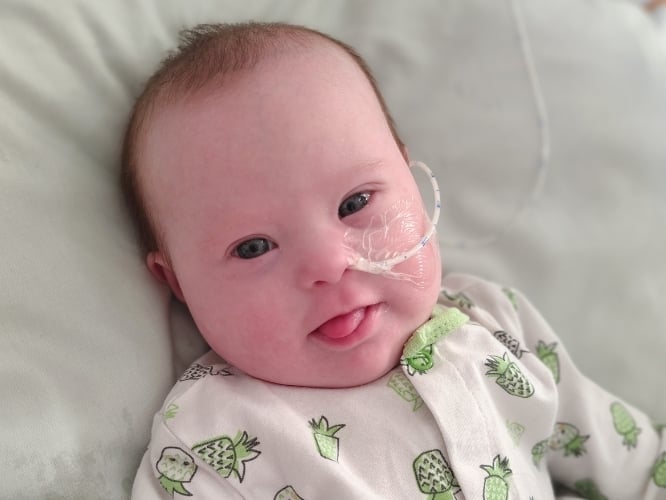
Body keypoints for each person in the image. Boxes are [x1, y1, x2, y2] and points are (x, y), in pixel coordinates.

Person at [123, 22, 666, 499]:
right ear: (177, 282)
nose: (330, 265)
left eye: (355, 203)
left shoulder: (494, 325)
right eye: (253, 247)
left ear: (409, 180)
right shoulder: (207, 445)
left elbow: (636, 466)